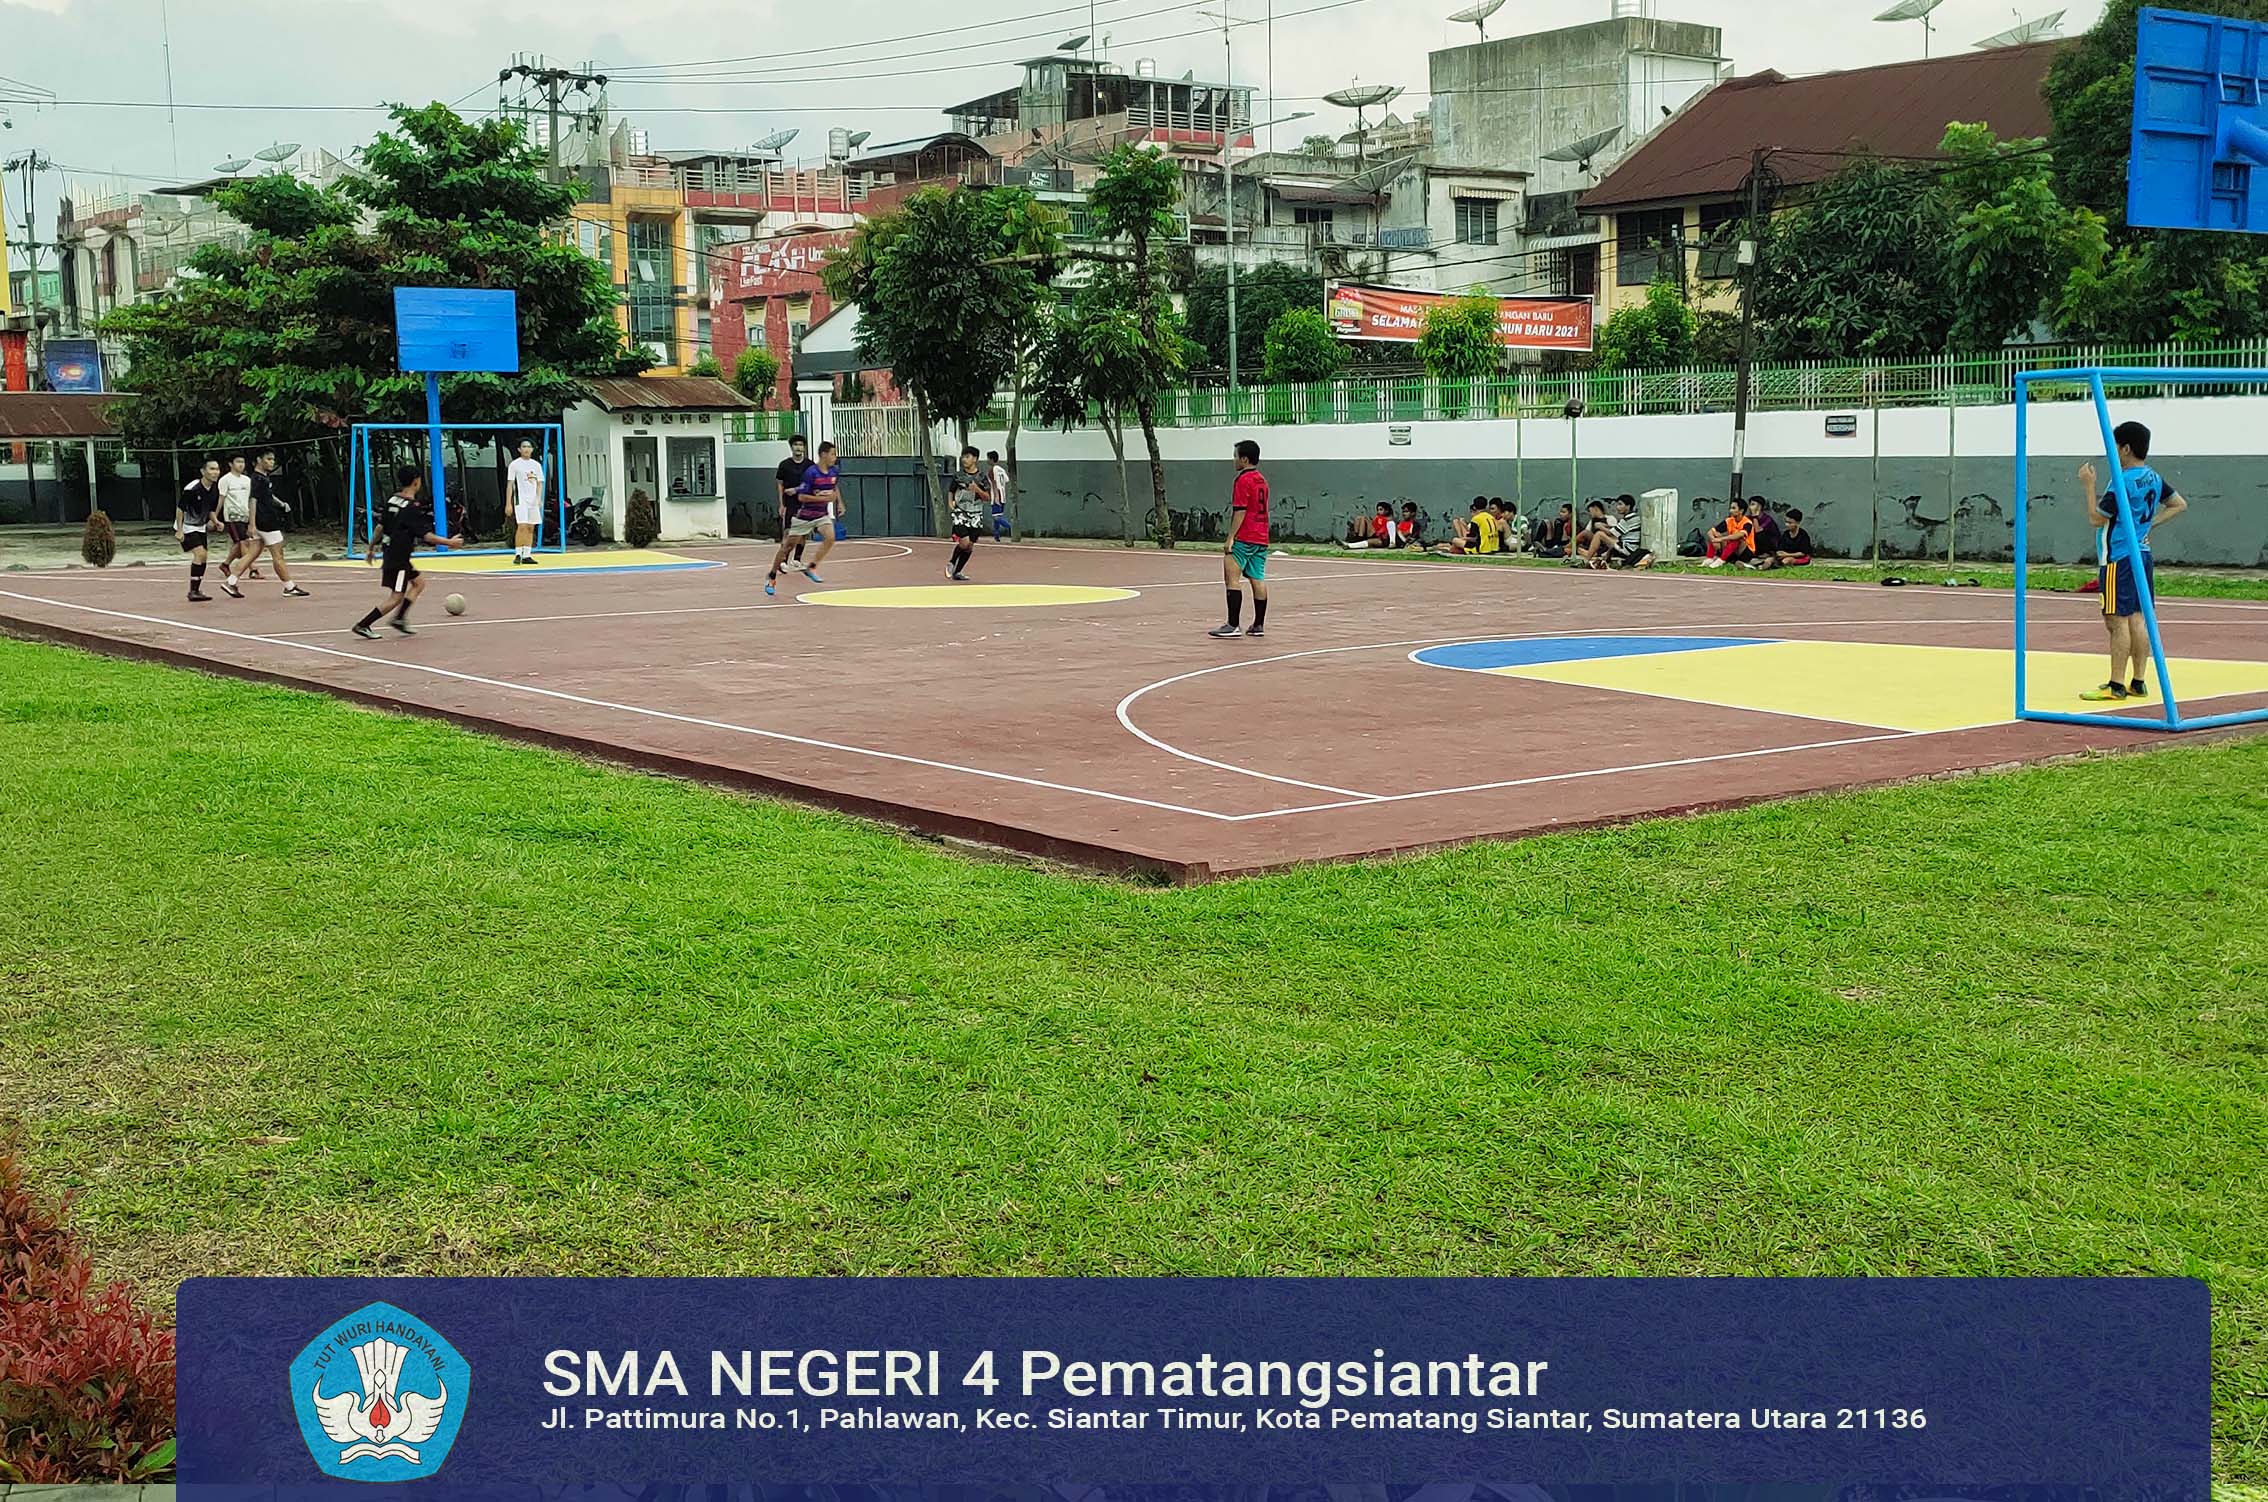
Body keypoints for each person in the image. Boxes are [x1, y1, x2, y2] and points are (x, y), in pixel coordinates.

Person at [2080, 421, 2187, 702]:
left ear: (2125, 448)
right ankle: (2138, 681)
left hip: (2119, 556)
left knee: (2116, 621)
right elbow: (2178, 503)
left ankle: (2116, 684)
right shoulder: (2152, 477)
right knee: (2138, 618)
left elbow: (2096, 518)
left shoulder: (2122, 481)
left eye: (2115, 446)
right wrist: (2151, 524)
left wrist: (2089, 486)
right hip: (2142, 554)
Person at [352, 466, 464, 640]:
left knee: (419, 583)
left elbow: (380, 526)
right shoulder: (411, 507)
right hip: (398, 559)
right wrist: (450, 542)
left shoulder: (393, 500)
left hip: (392, 553)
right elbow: (426, 535)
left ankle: (399, 618)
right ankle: (364, 624)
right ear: (416, 481)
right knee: (396, 597)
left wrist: (371, 547)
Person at [230, 449, 311, 597]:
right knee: (278, 555)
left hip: (262, 521)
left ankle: (231, 581)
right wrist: (252, 524)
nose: (271, 462)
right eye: (268, 459)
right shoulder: (257, 479)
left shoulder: (263, 478)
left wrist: (281, 504)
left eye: (273, 459)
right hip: (266, 522)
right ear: (259, 460)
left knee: (252, 554)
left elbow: (268, 496)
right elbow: (252, 500)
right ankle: (289, 587)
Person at [1211, 438, 1271, 639]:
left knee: (1231, 577)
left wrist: (1230, 537)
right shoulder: (1262, 480)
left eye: (1235, 456)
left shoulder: (1242, 480)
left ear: (1244, 459)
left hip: (1245, 535)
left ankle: (1233, 624)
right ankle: (1258, 624)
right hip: (1261, 536)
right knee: (1257, 578)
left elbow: (1240, 511)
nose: (1233, 460)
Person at [766, 440, 841, 596]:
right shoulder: (811, 473)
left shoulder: (834, 472)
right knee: (787, 547)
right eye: (833, 454)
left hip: (821, 515)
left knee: (830, 537)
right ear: (823, 455)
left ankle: (812, 566)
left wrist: (837, 500)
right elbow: (802, 497)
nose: (835, 457)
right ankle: (772, 575)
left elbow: (834, 489)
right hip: (805, 516)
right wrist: (821, 499)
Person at [178, 459, 223, 602]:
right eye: (211, 469)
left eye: (217, 469)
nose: (215, 472)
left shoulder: (215, 489)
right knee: (200, 554)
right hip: (187, 526)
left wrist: (216, 521)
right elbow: (180, 509)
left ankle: (196, 589)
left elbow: (209, 509)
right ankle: (193, 591)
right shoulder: (192, 488)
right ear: (203, 471)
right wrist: (179, 530)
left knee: (204, 557)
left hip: (200, 527)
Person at [945, 445, 991, 581]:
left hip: (976, 514)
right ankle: (952, 562)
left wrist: (977, 489)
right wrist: (950, 503)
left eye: (967, 457)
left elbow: (987, 497)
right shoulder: (958, 476)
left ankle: (957, 572)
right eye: (963, 457)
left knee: (970, 546)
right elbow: (951, 491)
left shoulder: (982, 477)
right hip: (961, 512)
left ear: (975, 459)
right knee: (964, 542)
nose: (964, 459)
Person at [214, 454, 256, 592]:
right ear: (231, 464)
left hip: (245, 515)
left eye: (243, 462)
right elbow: (221, 498)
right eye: (238, 462)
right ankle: (252, 568)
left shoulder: (247, 480)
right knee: (244, 542)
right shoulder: (225, 480)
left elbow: (251, 499)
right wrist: (214, 516)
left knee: (240, 544)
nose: (241, 465)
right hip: (232, 516)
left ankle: (225, 564)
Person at [504, 439, 547, 565]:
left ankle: (527, 554)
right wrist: (508, 503)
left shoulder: (536, 465)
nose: (526, 449)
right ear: (519, 449)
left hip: (533, 500)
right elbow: (510, 484)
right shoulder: (515, 465)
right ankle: (518, 553)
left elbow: (540, 483)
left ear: (532, 449)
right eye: (524, 446)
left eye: (529, 446)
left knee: (530, 526)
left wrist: (539, 499)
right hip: (520, 499)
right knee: (522, 526)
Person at [774, 434, 811, 571]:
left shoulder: (809, 465)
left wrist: (797, 490)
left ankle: (797, 560)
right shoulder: (784, 465)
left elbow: (811, 484)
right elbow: (779, 485)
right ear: (791, 447)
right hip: (790, 504)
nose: (798, 447)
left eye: (801, 445)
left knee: (803, 533)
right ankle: (783, 560)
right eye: (795, 445)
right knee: (789, 532)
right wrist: (781, 504)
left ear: (804, 448)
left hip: (805, 503)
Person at [1606, 494, 1654, 569]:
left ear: (1628, 506)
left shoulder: (1629, 519)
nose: (1617, 507)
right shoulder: (1633, 517)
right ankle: (1603, 559)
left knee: (1599, 534)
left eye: (1620, 504)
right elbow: (1616, 529)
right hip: (1628, 546)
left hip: (1628, 549)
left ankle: (1589, 557)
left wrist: (1600, 526)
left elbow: (1611, 533)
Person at [1703, 501, 1754, 568]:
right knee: (1715, 534)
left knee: (1737, 538)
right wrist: (1714, 539)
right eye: (1730, 508)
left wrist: (1721, 539)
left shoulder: (1747, 522)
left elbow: (1740, 535)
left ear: (1741, 511)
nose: (1730, 511)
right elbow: (1710, 532)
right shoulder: (1729, 520)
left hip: (1745, 551)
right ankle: (1709, 559)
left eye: (1733, 508)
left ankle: (1721, 561)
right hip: (1731, 549)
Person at [1740, 495, 1784, 569]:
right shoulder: (1748, 518)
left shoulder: (1767, 519)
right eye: (1750, 505)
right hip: (1754, 545)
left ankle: (1766, 556)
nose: (1750, 507)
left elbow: (1757, 530)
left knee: (1759, 534)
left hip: (1769, 545)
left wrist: (1754, 515)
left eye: (1753, 504)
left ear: (1759, 507)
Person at [1571, 500, 1616, 567]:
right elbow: (1587, 531)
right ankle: (1572, 547)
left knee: (1590, 534)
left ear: (1596, 509)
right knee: (1580, 546)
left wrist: (1602, 526)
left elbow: (1614, 532)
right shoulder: (1592, 521)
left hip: (1606, 541)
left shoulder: (1610, 518)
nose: (1590, 513)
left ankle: (1569, 547)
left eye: (1590, 511)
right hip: (1594, 542)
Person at [987, 450, 1012, 540]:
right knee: (997, 516)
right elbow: (1007, 480)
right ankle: (996, 535)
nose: (987, 460)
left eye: (988, 458)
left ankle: (1010, 527)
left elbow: (994, 483)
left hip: (997, 495)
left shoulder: (992, 470)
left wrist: (996, 496)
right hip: (1003, 495)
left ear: (992, 459)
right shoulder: (1001, 469)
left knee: (996, 517)